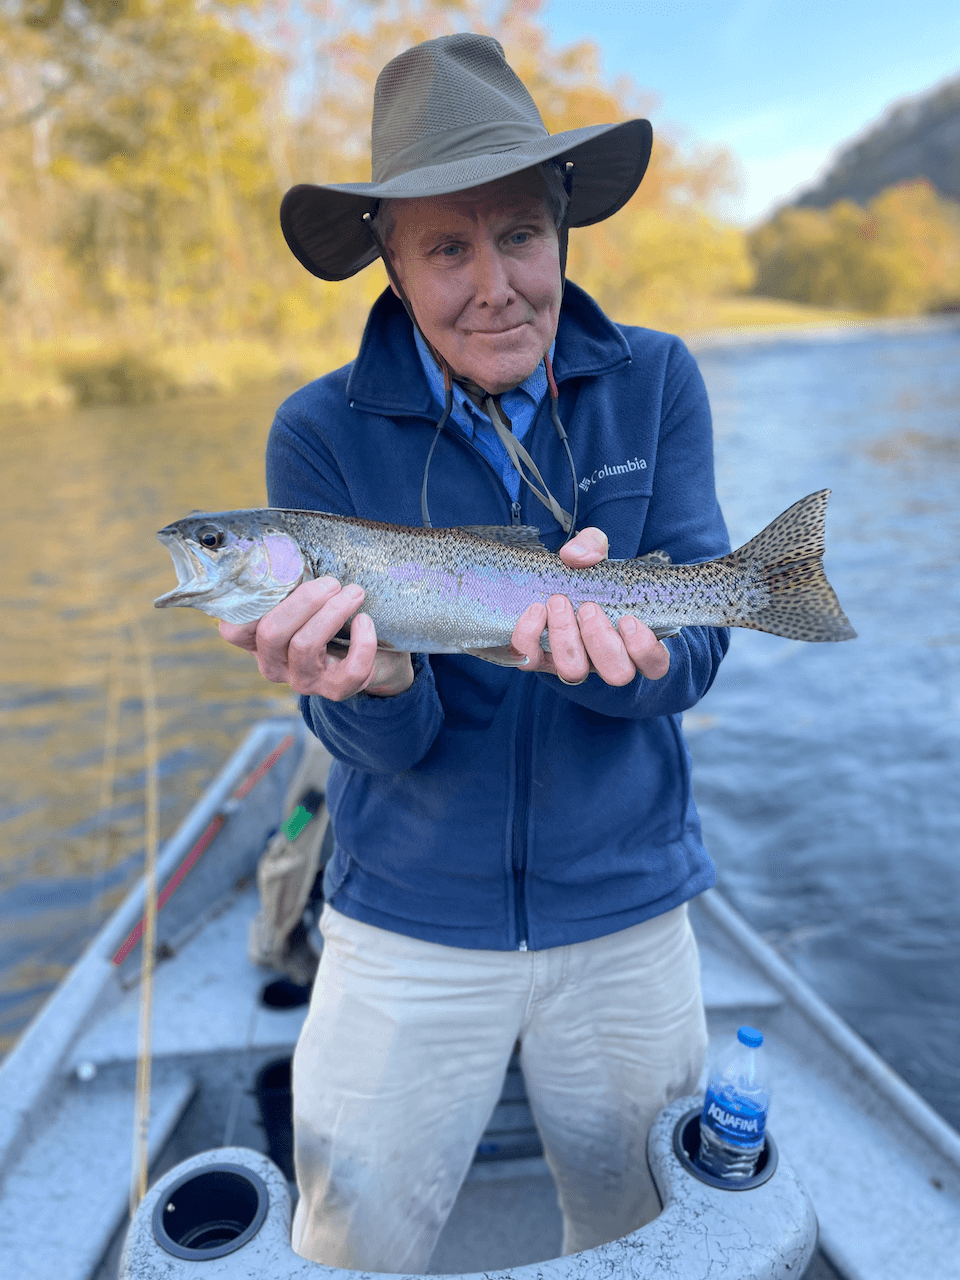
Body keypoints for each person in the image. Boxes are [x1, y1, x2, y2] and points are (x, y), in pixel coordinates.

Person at [220, 32, 730, 1272]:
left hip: (627, 904)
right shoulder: (318, 432)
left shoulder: (655, 379)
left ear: (563, 231)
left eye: (518, 235)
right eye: (447, 247)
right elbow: (371, 737)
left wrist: (633, 663)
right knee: (344, 1243)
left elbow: (702, 644)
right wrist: (376, 684)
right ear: (390, 264)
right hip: (405, 916)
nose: (494, 283)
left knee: (645, 1239)